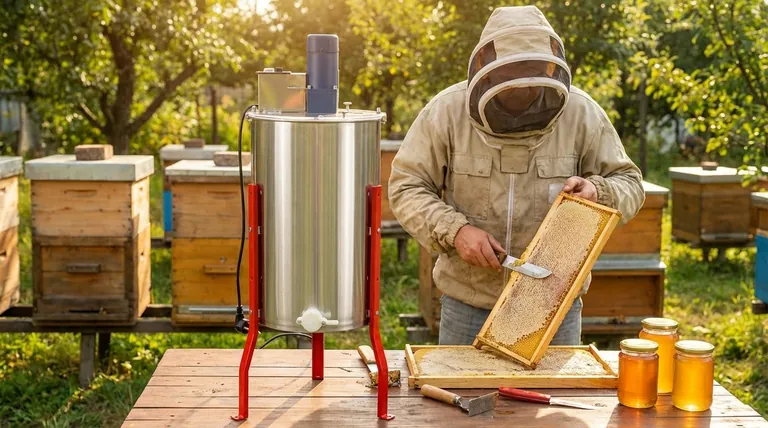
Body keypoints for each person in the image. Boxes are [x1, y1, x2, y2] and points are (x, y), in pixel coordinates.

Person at [388, 5, 645, 346]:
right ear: (487, 70)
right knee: (464, 397)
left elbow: (630, 184)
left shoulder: (582, 114)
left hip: (554, 306)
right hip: (468, 302)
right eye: (513, 74)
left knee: (550, 400)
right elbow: (407, 186)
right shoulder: (446, 112)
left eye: (533, 72)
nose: (522, 88)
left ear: (550, 66)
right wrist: (456, 231)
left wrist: (597, 191)